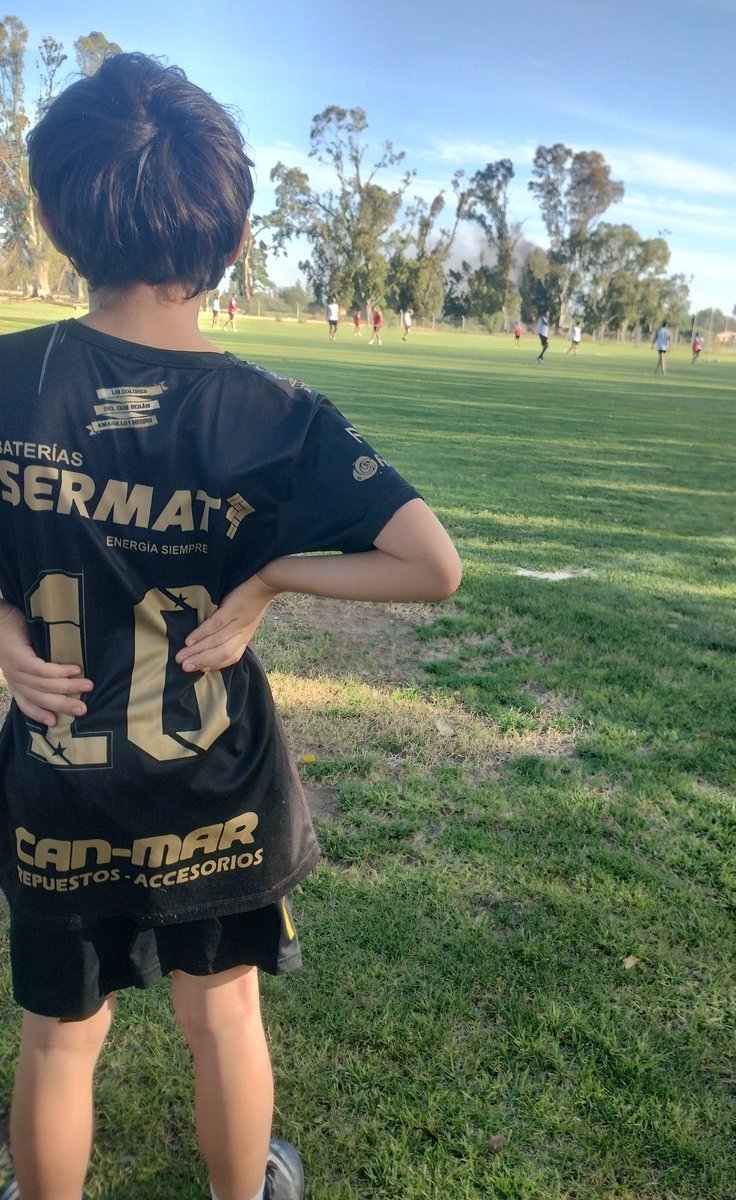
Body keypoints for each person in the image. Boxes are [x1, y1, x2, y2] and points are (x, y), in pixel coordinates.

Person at [0, 52, 461, 1200]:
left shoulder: (11, 378)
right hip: (209, 779)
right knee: (226, 1018)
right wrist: (269, 584)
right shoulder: (275, 415)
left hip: (58, 776)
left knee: (60, 1036)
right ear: (234, 241)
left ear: (52, 221)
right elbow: (429, 566)